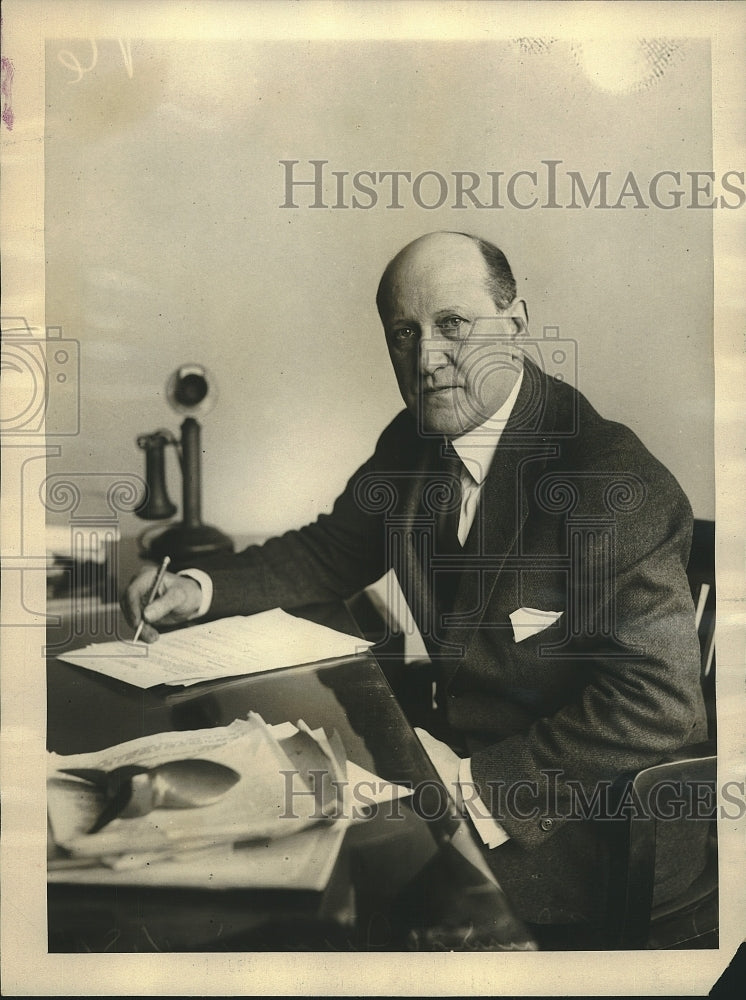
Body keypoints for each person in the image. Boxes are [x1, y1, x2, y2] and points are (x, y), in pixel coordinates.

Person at [123, 231, 708, 945]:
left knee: (281, 915)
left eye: (453, 326)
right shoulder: (415, 440)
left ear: (515, 325)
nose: (427, 359)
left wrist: (472, 785)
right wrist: (197, 586)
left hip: (578, 832)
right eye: (405, 333)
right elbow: (329, 553)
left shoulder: (609, 478)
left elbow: (661, 704)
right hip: (438, 766)